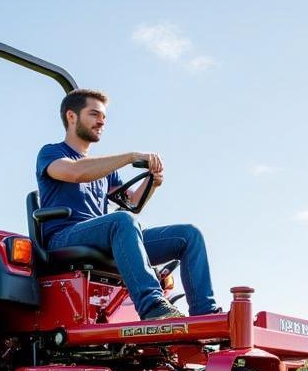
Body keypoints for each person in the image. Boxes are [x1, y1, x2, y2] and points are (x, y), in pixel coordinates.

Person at [35, 88, 218, 320]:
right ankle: (153, 306)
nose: (101, 121)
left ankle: (205, 314)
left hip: (105, 237)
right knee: (122, 220)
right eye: (94, 114)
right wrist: (130, 157)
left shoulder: (103, 170)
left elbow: (132, 203)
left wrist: (152, 183)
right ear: (72, 116)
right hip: (63, 237)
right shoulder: (51, 153)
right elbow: (74, 172)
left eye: (104, 117)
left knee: (188, 235)